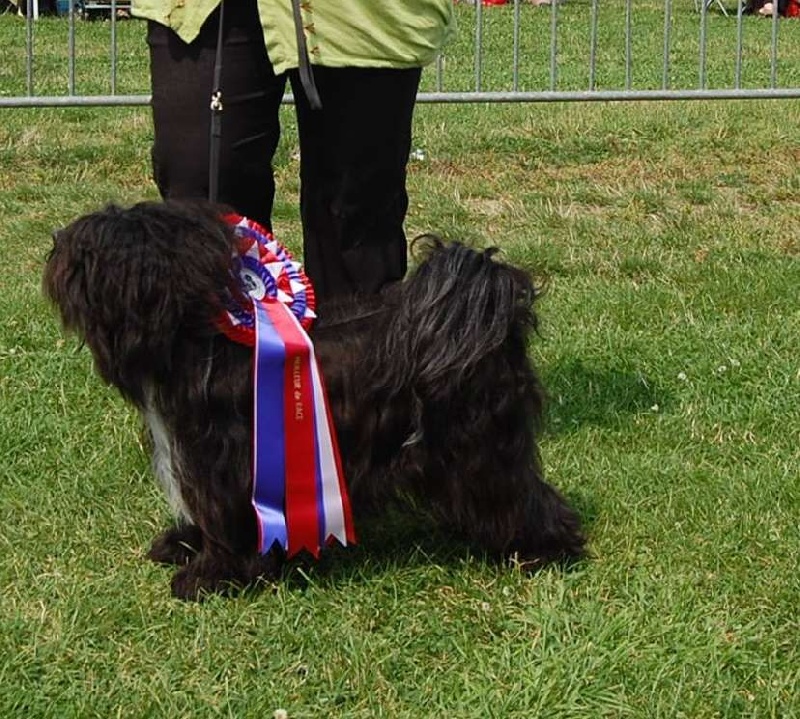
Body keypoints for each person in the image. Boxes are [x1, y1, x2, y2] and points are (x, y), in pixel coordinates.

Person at [131, 0, 455, 302]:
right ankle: (222, 341)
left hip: (363, 13)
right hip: (208, 10)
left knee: (357, 215)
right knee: (201, 200)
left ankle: (355, 340)